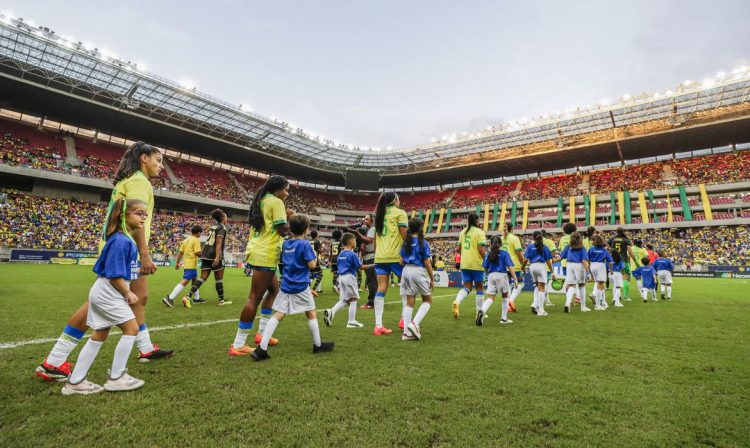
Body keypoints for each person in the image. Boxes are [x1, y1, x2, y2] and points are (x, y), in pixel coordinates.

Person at [37, 142, 172, 382]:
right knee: (97, 305)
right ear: (144, 158)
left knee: (139, 298)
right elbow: (137, 213)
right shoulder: (140, 181)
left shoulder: (127, 181)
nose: (161, 166)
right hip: (124, 250)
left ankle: (146, 348)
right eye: (158, 160)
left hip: (121, 247)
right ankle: (54, 361)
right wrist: (144, 253)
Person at [62, 198, 147, 395]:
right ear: (123, 215)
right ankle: (117, 377)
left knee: (100, 333)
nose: (144, 217)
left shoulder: (124, 239)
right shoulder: (121, 240)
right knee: (132, 328)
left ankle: (75, 381)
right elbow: (113, 273)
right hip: (110, 292)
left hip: (104, 291)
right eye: (139, 213)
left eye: (145, 214)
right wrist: (128, 293)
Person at [251, 214, 334, 361]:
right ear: (306, 230)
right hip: (301, 285)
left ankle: (261, 348)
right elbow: (312, 265)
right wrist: (315, 257)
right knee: (311, 313)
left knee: (278, 314)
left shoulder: (286, 243)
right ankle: (318, 345)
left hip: (286, 284)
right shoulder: (305, 245)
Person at [229, 175, 291, 356]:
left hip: (258, 249)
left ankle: (262, 334)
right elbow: (281, 230)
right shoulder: (276, 202)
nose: (286, 193)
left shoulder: (261, 200)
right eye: (286, 189)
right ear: (277, 188)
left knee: (274, 291)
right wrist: (293, 221)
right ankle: (238, 344)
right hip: (266, 253)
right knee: (254, 298)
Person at [372, 192, 408, 336]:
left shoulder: (379, 214)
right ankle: (404, 319)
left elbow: (375, 239)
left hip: (380, 257)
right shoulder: (400, 213)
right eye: (399, 199)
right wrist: (406, 254)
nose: (400, 201)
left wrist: (377, 254)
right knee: (407, 287)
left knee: (381, 289)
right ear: (395, 201)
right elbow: (405, 235)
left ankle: (378, 325)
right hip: (395, 256)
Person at [182, 209, 232, 306]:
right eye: (226, 217)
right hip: (214, 255)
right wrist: (217, 257)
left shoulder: (213, 227)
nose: (227, 219)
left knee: (203, 277)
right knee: (219, 278)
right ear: (222, 218)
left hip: (205, 254)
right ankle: (221, 300)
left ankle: (187, 297)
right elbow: (218, 242)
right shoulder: (222, 227)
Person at [324, 232, 371, 329]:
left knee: (345, 300)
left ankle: (331, 312)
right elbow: (360, 267)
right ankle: (351, 321)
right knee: (353, 299)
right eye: (354, 240)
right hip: (349, 277)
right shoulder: (352, 254)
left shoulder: (341, 254)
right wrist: (373, 266)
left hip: (341, 278)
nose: (355, 242)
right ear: (350, 242)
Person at [399, 218, 434, 341]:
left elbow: (401, 261)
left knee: (410, 302)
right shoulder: (423, 243)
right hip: (418, 270)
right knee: (427, 300)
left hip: (406, 271)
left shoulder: (405, 242)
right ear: (421, 227)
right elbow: (427, 262)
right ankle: (414, 324)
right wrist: (432, 278)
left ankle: (406, 334)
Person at [452, 213, 488, 319]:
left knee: (467, 287)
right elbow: (481, 249)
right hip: (476, 263)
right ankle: (479, 313)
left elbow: (458, 249)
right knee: (479, 288)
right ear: (477, 221)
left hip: (465, 263)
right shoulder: (479, 232)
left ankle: (457, 301)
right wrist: (486, 260)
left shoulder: (463, 232)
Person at [477, 235, 518, 325]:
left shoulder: (488, 254)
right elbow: (510, 267)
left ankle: (482, 310)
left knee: (491, 297)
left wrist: (489, 275)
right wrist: (515, 279)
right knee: (505, 295)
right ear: (501, 244)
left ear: (491, 244)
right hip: (502, 275)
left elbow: (485, 267)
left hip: (491, 275)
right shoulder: (504, 253)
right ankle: (504, 319)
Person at [162, 224, 203, 308]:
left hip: (188, 263)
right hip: (191, 264)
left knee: (194, 281)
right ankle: (170, 297)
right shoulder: (196, 240)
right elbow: (198, 253)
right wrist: (206, 258)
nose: (200, 234)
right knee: (185, 280)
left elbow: (180, 253)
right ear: (198, 232)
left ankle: (196, 298)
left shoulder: (186, 240)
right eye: (200, 233)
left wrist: (177, 263)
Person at [521, 231, 554, 316]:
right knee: (542, 288)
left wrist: (523, 267)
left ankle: (535, 304)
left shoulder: (530, 247)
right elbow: (548, 260)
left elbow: (525, 259)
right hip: (541, 266)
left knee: (537, 286)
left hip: (532, 267)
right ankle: (541, 310)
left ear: (533, 237)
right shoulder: (545, 247)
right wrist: (552, 271)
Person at [561, 232, 591, 313]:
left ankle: (567, 303)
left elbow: (562, 256)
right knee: (582, 285)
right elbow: (584, 261)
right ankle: (583, 307)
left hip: (569, 265)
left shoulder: (568, 247)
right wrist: (588, 273)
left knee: (571, 285)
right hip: (579, 266)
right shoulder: (582, 248)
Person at [608, 228, 637, 301]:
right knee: (626, 277)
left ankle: (617, 296)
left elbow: (607, 248)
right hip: (623, 260)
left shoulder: (612, 239)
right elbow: (630, 251)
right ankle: (626, 296)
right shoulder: (626, 239)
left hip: (613, 260)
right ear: (623, 232)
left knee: (615, 279)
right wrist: (635, 260)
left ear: (616, 232)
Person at [503, 223, 525, 312]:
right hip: (513, 265)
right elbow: (519, 253)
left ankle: (507, 305)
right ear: (512, 228)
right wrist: (522, 264)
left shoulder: (501, 238)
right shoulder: (515, 238)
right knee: (520, 283)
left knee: (507, 285)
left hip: (503, 265)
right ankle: (511, 301)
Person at [588, 235, 613, 311]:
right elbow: (610, 262)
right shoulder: (604, 250)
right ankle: (597, 304)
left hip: (592, 265)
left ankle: (603, 302)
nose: (592, 241)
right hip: (600, 266)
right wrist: (611, 270)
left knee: (599, 284)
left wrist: (589, 270)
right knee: (601, 284)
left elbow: (587, 259)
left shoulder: (591, 249)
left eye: (593, 240)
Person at [360, 215, 378, 309]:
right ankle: (375, 300)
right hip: (371, 256)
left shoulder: (372, 229)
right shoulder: (372, 229)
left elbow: (369, 241)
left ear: (371, 220)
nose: (364, 220)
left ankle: (371, 302)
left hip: (371, 256)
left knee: (372, 280)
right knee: (373, 279)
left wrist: (358, 234)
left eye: (366, 219)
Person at [540, 229, 558, 307]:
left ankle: (541, 301)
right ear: (546, 235)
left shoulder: (536, 242)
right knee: (545, 284)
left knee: (540, 284)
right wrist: (550, 258)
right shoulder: (549, 242)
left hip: (537, 264)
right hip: (547, 265)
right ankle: (546, 301)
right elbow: (553, 252)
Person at [308, 229, 323, 297]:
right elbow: (320, 251)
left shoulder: (308, 241)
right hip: (314, 260)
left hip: (308, 260)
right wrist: (323, 249)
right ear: (317, 235)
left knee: (310, 275)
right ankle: (313, 290)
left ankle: (309, 289)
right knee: (320, 274)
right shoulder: (318, 241)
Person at [329, 229, 343, 295]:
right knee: (340, 274)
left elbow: (330, 253)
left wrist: (329, 261)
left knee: (335, 274)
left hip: (333, 260)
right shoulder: (341, 242)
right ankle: (338, 286)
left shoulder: (332, 243)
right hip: (339, 259)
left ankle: (334, 285)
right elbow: (342, 251)